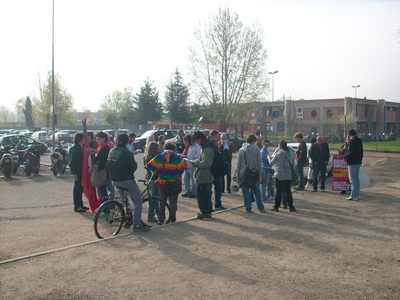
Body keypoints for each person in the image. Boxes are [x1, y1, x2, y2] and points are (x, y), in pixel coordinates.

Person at [107, 134, 151, 232]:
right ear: (127, 142)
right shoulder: (127, 153)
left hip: (115, 180)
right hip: (126, 180)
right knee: (138, 202)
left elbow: (108, 165)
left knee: (124, 202)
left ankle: (129, 218)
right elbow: (133, 167)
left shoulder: (112, 151)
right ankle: (136, 225)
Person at [147, 143, 187, 224]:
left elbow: (149, 165)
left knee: (162, 202)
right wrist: (175, 174)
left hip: (162, 182)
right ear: (174, 149)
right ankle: (173, 219)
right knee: (173, 202)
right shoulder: (178, 157)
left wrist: (156, 172)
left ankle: (161, 219)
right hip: (174, 183)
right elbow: (183, 168)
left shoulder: (160, 156)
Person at [236, 135, 265, 213]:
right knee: (257, 192)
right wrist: (260, 175)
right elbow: (259, 163)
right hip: (254, 173)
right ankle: (260, 207)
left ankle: (248, 208)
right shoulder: (256, 149)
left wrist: (237, 175)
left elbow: (238, 164)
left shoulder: (241, 150)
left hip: (244, 173)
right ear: (254, 141)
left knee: (246, 192)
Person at [191, 131, 214, 219]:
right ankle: (207, 211)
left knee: (203, 196)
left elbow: (207, 163)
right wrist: (196, 161)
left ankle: (205, 212)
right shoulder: (205, 147)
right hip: (204, 176)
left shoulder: (207, 149)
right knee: (205, 195)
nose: (196, 143)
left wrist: (196, 164)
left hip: (205, 176)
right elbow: (203, 160)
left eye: (196, 141)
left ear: (200, 139)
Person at [270, 140, 296, 212]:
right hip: (288, 175)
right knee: (288, 191)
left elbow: (271, 163)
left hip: (280, 175)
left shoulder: (278, 153)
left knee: (278, 191)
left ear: (280, 146)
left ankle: (276, 207)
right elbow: (293, 163)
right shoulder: (291, 153)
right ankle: (291, 207)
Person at [69, 133, 88, 212]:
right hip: (77, 172)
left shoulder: (80, 147)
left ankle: (80, 205)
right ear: (80, 139)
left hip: (81, 171)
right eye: (84, 138)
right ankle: (77, 206)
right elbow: (72, 162)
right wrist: (74, 173)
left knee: (80, 189)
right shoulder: (75, 148)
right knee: (77, 189)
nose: (85, 140)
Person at [143, 141, 161, 223]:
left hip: (149, 178)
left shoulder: (146, 157)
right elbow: (157, 170)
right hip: (155, 179)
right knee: (155, 199)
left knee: (153, 198)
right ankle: (152, 216)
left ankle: (157, 214)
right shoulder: (156, 158)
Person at [344, 129, 363, 201]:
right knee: (356, 179)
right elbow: (361, 152)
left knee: (352, 180)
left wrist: (345, 157)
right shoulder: (359, 140)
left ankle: (353, 196)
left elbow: (350, 152)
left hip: (352, 163)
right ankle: (356, 195)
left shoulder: (352, 141)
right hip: (358, 162)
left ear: (350, 135)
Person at [210, 130, 226, 210]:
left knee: (218, 189)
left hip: (218, 170)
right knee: (211, 189)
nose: (219, 137)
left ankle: (218, 204)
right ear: (213, 136)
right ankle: (212, 205)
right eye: (217, 135)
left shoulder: (217, 144)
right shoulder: (210, 145)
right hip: (213, 170)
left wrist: (221, 148)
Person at [93, 132, 110, 203]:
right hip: (99, 170)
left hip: (103, 171)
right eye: (96, 139)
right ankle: (103, 205)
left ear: (104, 139)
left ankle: (105, 208)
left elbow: (103, 161)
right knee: (100, 190)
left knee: (102, 190)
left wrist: (96, 166)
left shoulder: (105, 148)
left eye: (99, 139)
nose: (97, 140)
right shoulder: (100, 147)